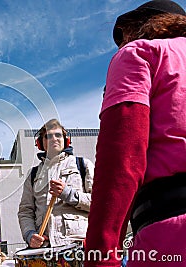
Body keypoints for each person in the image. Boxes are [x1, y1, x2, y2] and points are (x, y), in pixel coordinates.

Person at [84, 1, 186, 267]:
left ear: (138, 27)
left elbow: (122, 161)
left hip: (171, 235)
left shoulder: (139, 53)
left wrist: (101, 256)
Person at [18, 119, 94, 249]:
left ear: (66, 140)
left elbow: (100, 204)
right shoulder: (33, 174)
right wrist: (30, 235)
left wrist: (69, 194)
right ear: (40, 143)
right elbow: (25, 211)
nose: (54, 139)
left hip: (78, 244)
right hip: (45, 247)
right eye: (48, 136)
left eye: (58, 135)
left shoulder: (83, 165)